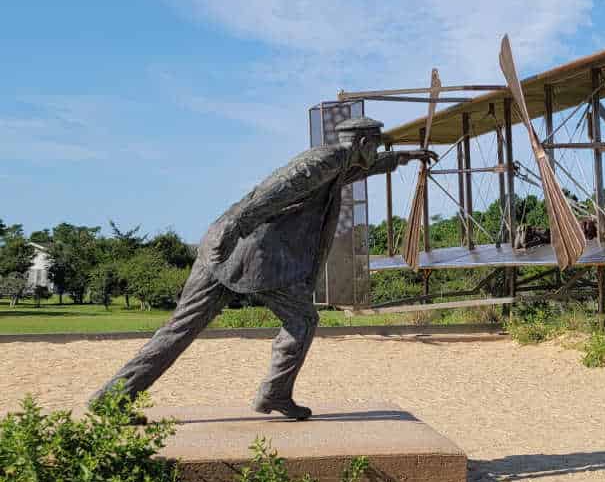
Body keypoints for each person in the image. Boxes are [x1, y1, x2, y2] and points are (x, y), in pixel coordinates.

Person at [91, 117, 430, 420]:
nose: (378, 150)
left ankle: (112, 397)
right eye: (377, 144)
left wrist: (400, 159)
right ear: (362, 143)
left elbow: (360, 169)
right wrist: (234, 229)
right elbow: (273, 193)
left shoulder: (338, 162)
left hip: (229, 251)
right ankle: (275, 393)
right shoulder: (323, 161)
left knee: (179, 329)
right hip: (254, 254)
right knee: (303, 319)